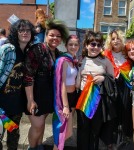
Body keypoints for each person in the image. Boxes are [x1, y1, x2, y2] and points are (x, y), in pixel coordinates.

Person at [24, 18, 69, 150]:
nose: (55, 38)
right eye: (52, 35)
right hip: (34, 95)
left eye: (58, 36)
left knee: (42, 124)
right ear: (46, 35)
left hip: (48, 96)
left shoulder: (58, 54)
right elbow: (28, 76)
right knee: (37, 125)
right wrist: (30, 100)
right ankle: (32, 148)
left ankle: (39, 146)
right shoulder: (36, 49)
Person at [76, 31, 114, 150]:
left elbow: (112, 79)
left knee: (95, 129)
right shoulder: (80, 60)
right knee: (83, 128)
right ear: (86, 45)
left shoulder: (105, 61)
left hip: (99, 99)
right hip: (83, 97)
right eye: (93, 44)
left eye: (99, 45)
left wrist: (103, 78)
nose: (96, 47)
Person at [0, 19, 35, 150]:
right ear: (16, 32)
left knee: (13, 137)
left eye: (28, 30)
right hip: (1, 106)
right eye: (21, 30)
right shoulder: (8, 49)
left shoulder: (28, 53)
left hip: (16, 106)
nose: (25, 33)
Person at [104, 29, 133, 145]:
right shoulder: (105, 55)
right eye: (113, 39)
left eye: (118, 38)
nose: (115, 41)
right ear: (109, 41)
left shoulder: (128, 54)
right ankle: (110, 141)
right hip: (110, 89)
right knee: (111, 115)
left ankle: (123, 140)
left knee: (124, 113)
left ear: (122, 40)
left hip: (125, 89)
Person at [52, 35, 80, 150]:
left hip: (73, 96)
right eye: (70, 44)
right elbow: (61, 83)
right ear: (66, 46)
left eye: (76, 44)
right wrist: (65, 106)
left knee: (67, 132)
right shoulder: (63, 60)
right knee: (61, 132)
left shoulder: (73, 61)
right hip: (64, 99)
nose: (73, 47)